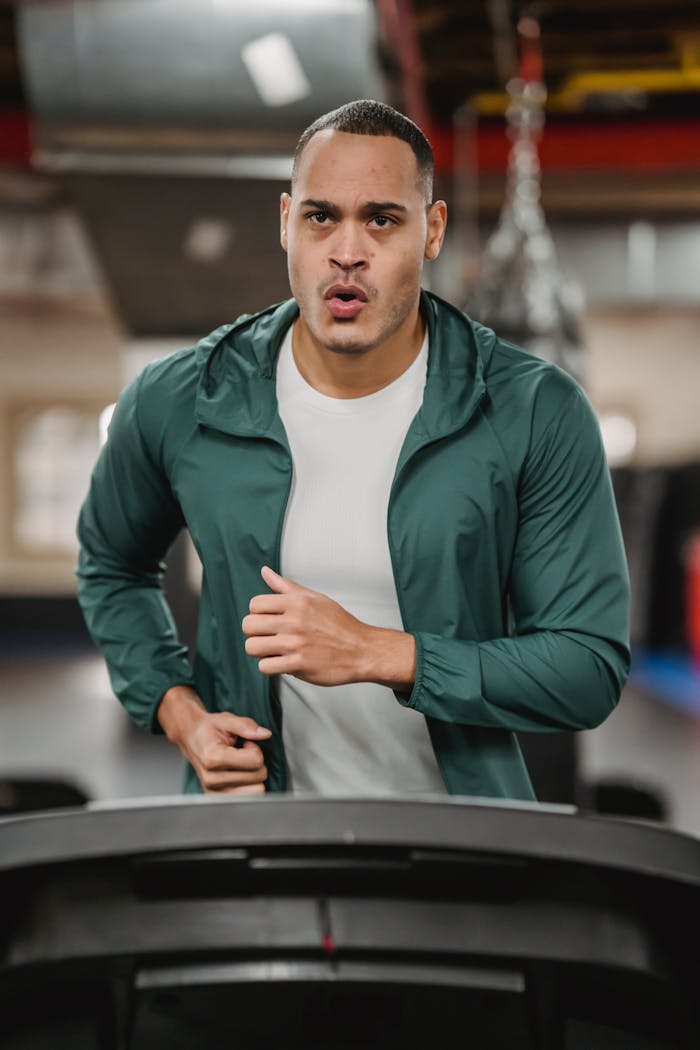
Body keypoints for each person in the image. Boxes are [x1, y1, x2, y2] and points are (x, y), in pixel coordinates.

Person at [76, 99, 630, 800]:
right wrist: (179, 712)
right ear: (285, 224)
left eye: (381, 219)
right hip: (253, 834)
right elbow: (111, 564)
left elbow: (586, 669)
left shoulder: (533, 412)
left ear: (431, 231)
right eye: (320, 217)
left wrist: (377, 653)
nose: (346, 250)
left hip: (460, 845)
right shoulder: (181, 399)